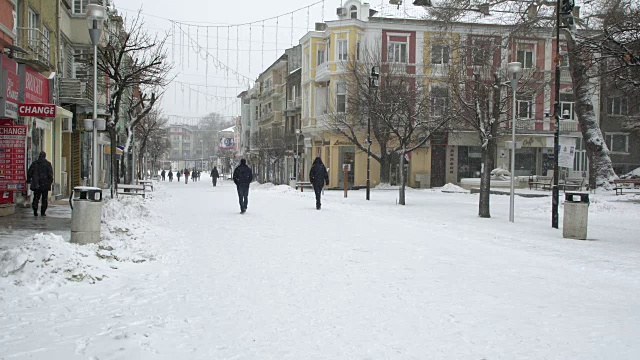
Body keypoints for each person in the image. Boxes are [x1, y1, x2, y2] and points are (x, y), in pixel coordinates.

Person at [27, 151, 54, 217]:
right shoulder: (48, 164)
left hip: (37, 184)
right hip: (45, 185)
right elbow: (50, 175)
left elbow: (29, 173)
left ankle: (35, 209)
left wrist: (29, 180)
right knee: (44, 199)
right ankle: (43, 212)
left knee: (36, 198)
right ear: (45, 156)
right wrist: (49, 183)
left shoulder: (34, 164)